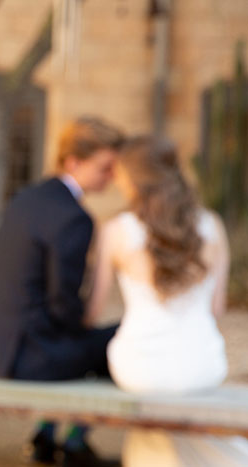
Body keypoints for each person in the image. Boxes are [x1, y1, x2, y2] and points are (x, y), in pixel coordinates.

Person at [0, 116, 124, 466]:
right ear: (73, 162)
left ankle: (46, 436)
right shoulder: (74, 217)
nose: (111, 178)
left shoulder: (26, 198)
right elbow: (64, 304)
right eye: (105, 168)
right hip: (30, 358)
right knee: (123, 342)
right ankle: (77, 442)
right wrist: (86, 334)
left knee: (94, 344)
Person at [87, 135, 248, 465]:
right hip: (203, 365)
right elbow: (216, 309)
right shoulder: (211, 225)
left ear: (134, 181)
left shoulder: (117, 229)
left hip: (141, 368)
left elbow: (92, 311)